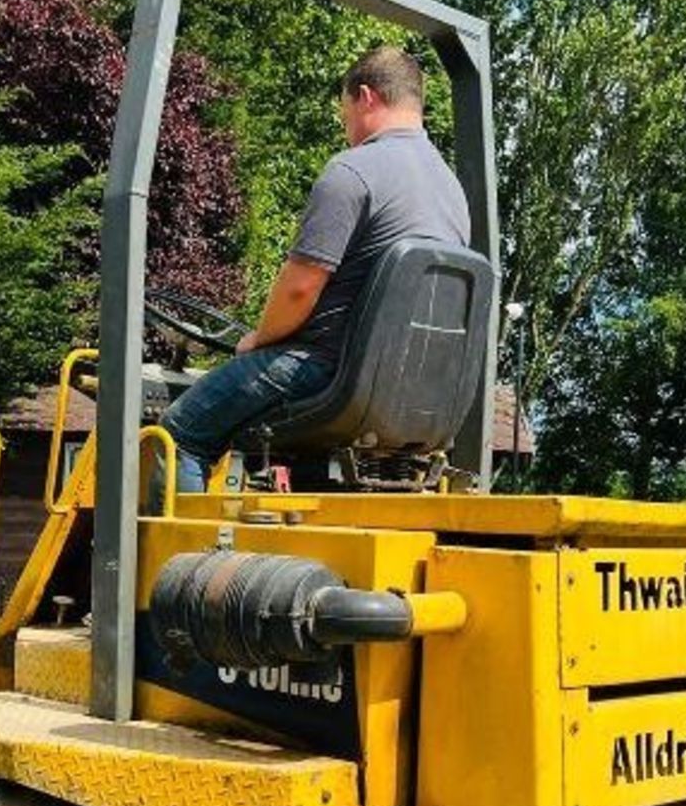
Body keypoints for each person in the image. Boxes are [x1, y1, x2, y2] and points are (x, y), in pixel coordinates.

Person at [159, 45, 472, 492]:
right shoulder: (452, 192)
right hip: (411, 392)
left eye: (345, 115)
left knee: (180, 434)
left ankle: (172, 560)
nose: (348, 131)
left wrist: (256, 340)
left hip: (327, 368)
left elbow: (299, 291)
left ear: (366, 97)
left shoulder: (354, 171)